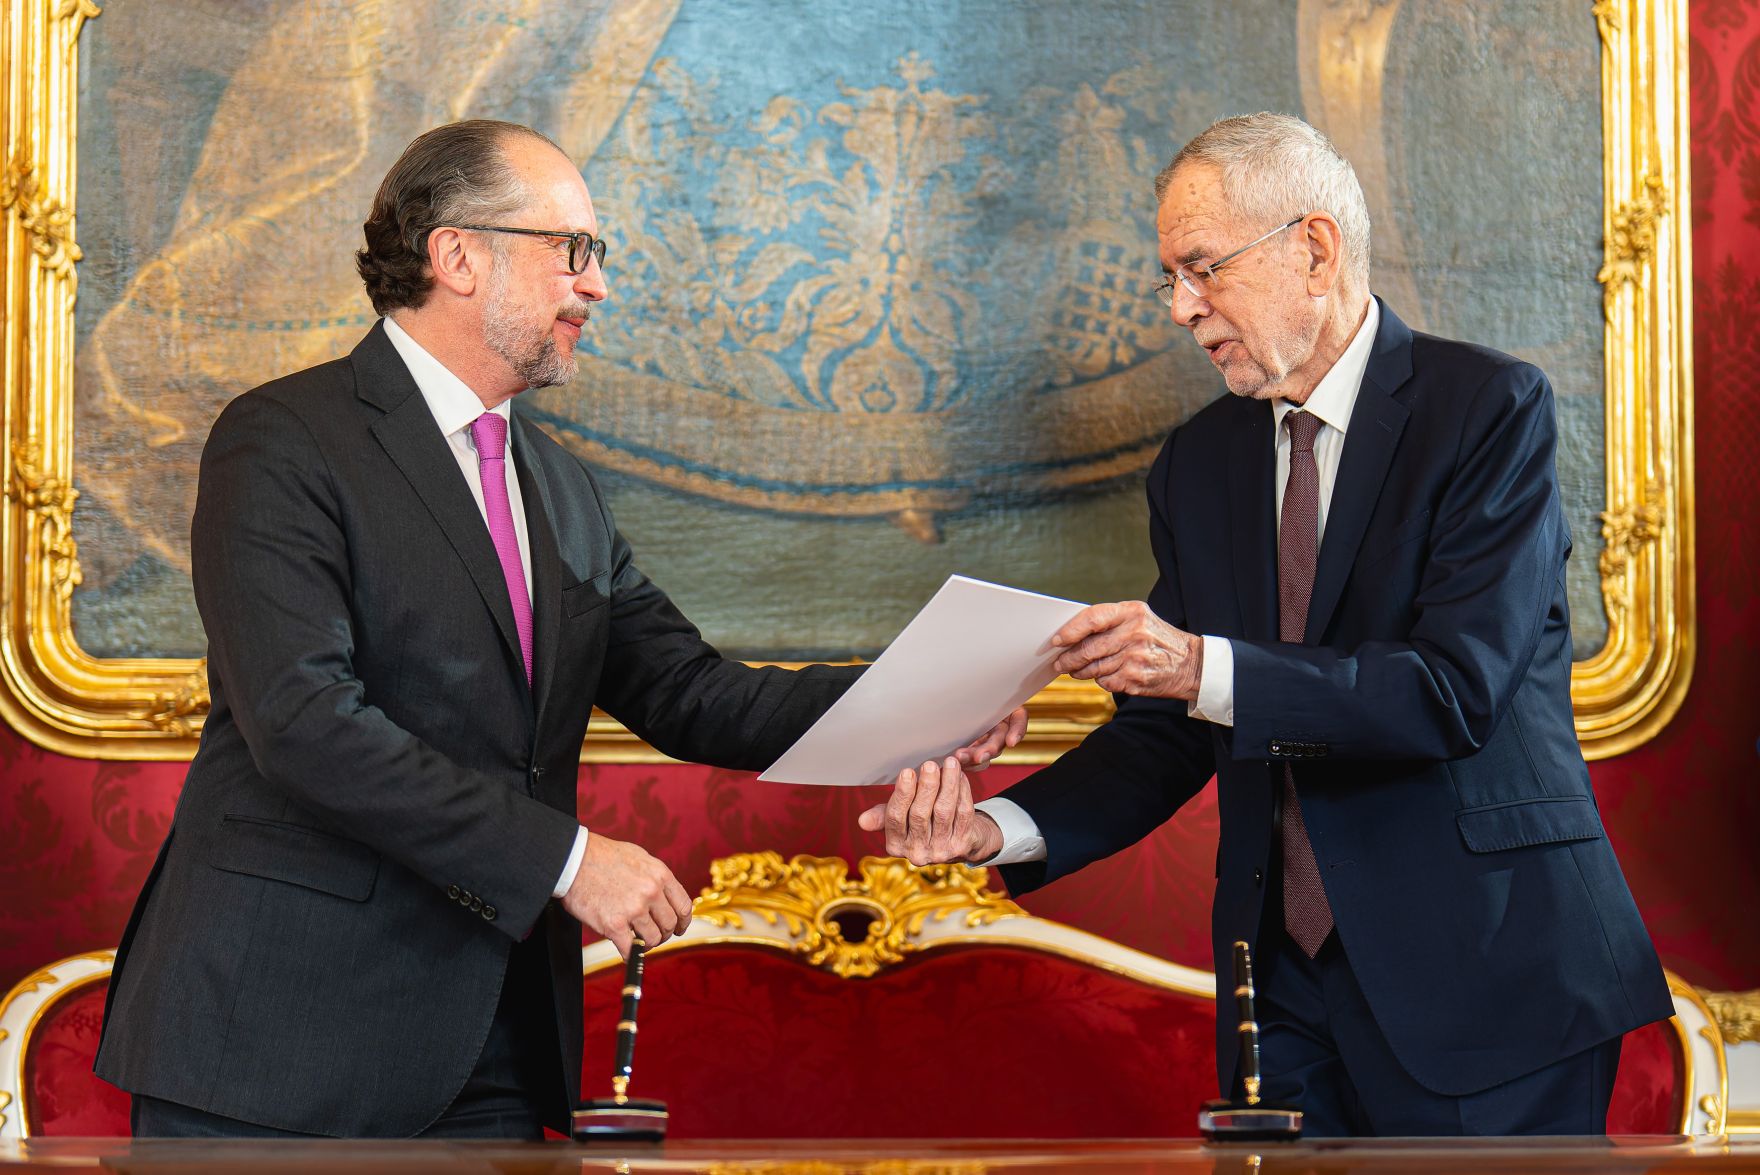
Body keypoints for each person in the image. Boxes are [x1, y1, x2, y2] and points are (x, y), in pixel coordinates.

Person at [95, 119, 1022, 1140]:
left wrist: (941, 693)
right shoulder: (282, 439)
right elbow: (305, 722)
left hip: (494, 1046)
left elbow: (690, 691)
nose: (595, 286)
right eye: (570, 250)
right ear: (455, 254)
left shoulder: (560, 487)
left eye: (597, 255)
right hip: (276, 1040)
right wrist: (571, 861)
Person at [861, 112, 1671, 1137]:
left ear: (1314, 250)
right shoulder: (1195, 464)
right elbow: (1167, 727)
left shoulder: (1486, 410)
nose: (1178, 308)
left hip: (1489, 976)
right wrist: (999, 826)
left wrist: (1198, 664)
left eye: (1200, 269)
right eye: (1167, 278)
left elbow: (1450, 690)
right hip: (1277, 994)